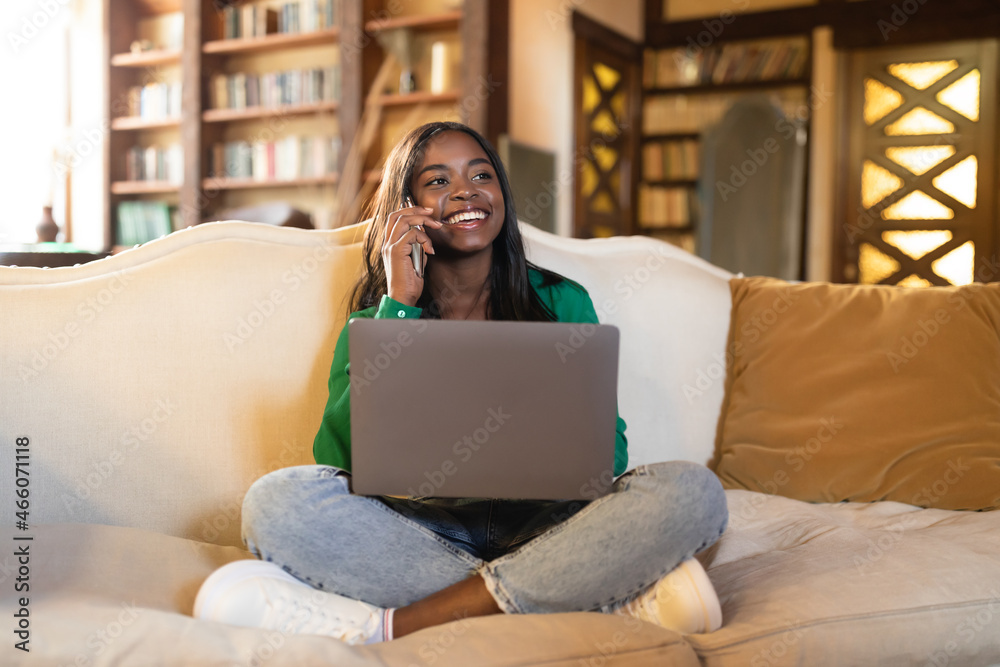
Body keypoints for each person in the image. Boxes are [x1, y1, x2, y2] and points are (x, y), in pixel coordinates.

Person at [193, 121, 729, 644]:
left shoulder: (564, 302)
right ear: (407, 209)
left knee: (691, 491)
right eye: (438, 181)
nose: (466, 192)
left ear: (500, 193)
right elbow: (339, 461)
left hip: (555, 526)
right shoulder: (377, 320)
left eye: (481, 175)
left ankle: (396, 625)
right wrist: (399, 304)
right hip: (430, 530)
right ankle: (598, 592)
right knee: (277, 501)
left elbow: (606, 458)